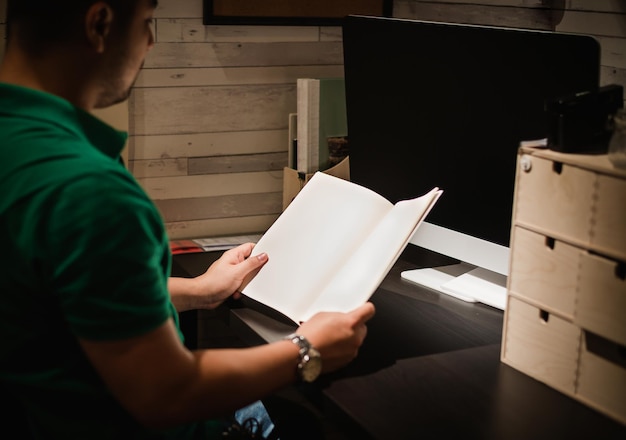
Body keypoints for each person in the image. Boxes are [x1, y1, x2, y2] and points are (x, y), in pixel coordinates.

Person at [0, 1, 375, 438]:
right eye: (145, 25)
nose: (152, 42)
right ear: (99, 24)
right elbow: (165, 392)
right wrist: (307, 349)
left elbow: (58, 291)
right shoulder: (86, 188)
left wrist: (200, 291)